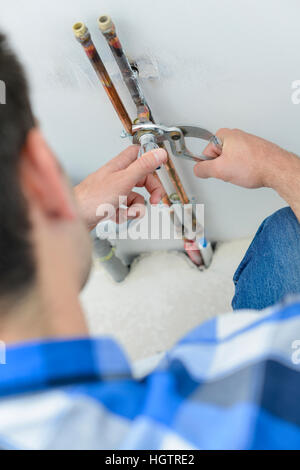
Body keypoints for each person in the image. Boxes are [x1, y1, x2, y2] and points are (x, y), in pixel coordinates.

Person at [0, 33, 299, 451]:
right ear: (44, 174)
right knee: (289, 233)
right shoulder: (266, 377)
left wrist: (66, 214)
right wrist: (275, 167)